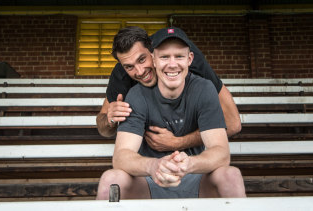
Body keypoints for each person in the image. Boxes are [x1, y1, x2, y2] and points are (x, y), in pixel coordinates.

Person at [96, 27, 246, 199]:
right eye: (130, 67)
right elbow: (118, 150)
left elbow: (233, 125)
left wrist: (178, 146)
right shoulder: (130, 88)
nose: (139, 71)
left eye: (142, 59)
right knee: (111, 178)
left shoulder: (200, 80)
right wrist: (110, 119)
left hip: (195, 174)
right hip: (149, 179)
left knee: (231, 175)